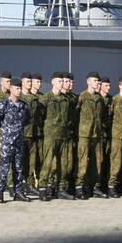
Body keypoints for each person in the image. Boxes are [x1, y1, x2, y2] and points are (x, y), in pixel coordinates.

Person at [0, 77, 32, 204]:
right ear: (11, 89)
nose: (19, 91)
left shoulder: (23, 106)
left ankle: (18, 193)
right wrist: (6, 130)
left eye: (20, 88)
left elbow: (27, 120)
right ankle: (0, 192)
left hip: (19, 142)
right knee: (4, 168)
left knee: (18, 168)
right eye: (17, 88)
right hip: (7, 142)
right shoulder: (4, 104)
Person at [37, 71, 72, 202]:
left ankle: (61, 189)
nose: (61, 83)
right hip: (50, 136)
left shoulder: (65, 99)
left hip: (63, 136)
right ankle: (42, 188)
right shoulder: (45, 98)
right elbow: (39, 117)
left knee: (63, 164)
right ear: (52, 82)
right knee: (48, 163)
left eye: (62, 81)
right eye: (59, 81)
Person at [75, 71, 106, 199]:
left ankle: (95, 187)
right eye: (94, 80)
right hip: (84, 134)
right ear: (88, 82)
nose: (97, 83)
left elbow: (103, 116)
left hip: (96, 134)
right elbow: (76, 114)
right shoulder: (82, 97)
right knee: (83, 162)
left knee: (97, 162)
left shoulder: (99, 99)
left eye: (98, 81)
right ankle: (79, 187)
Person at [20, 73, 43, 194]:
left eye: (30, 81)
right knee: (20, 161)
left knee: (32, 160)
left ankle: (30, 184)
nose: (30, 84)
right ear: (22, 82)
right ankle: (17, 185)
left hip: (33, 134)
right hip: (21, 134)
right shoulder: (18, 97)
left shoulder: (35, 98)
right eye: (28, 82)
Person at [99, 77, 113, 196]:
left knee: (107, 161)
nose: (108, 88)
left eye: (109, 85)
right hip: (97, 135)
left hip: (108, 135)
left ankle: (105, 185)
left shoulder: (111, 100)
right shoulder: (98, 99)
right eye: (106, 85)